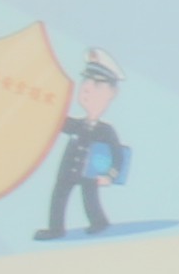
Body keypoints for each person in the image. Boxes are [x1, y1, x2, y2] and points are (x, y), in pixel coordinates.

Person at [35, 53, 125, 240]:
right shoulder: (76, 124)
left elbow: (118, 155)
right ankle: (56, 228)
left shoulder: (106, 131)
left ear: (112, 93)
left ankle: (99, 222)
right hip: (68, 171)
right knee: (59, 196)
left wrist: (110, 176)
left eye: (97, 84)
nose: (87, 89)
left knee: (90, 198)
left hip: (90, 172)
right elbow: (56, 122)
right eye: (86, 81)